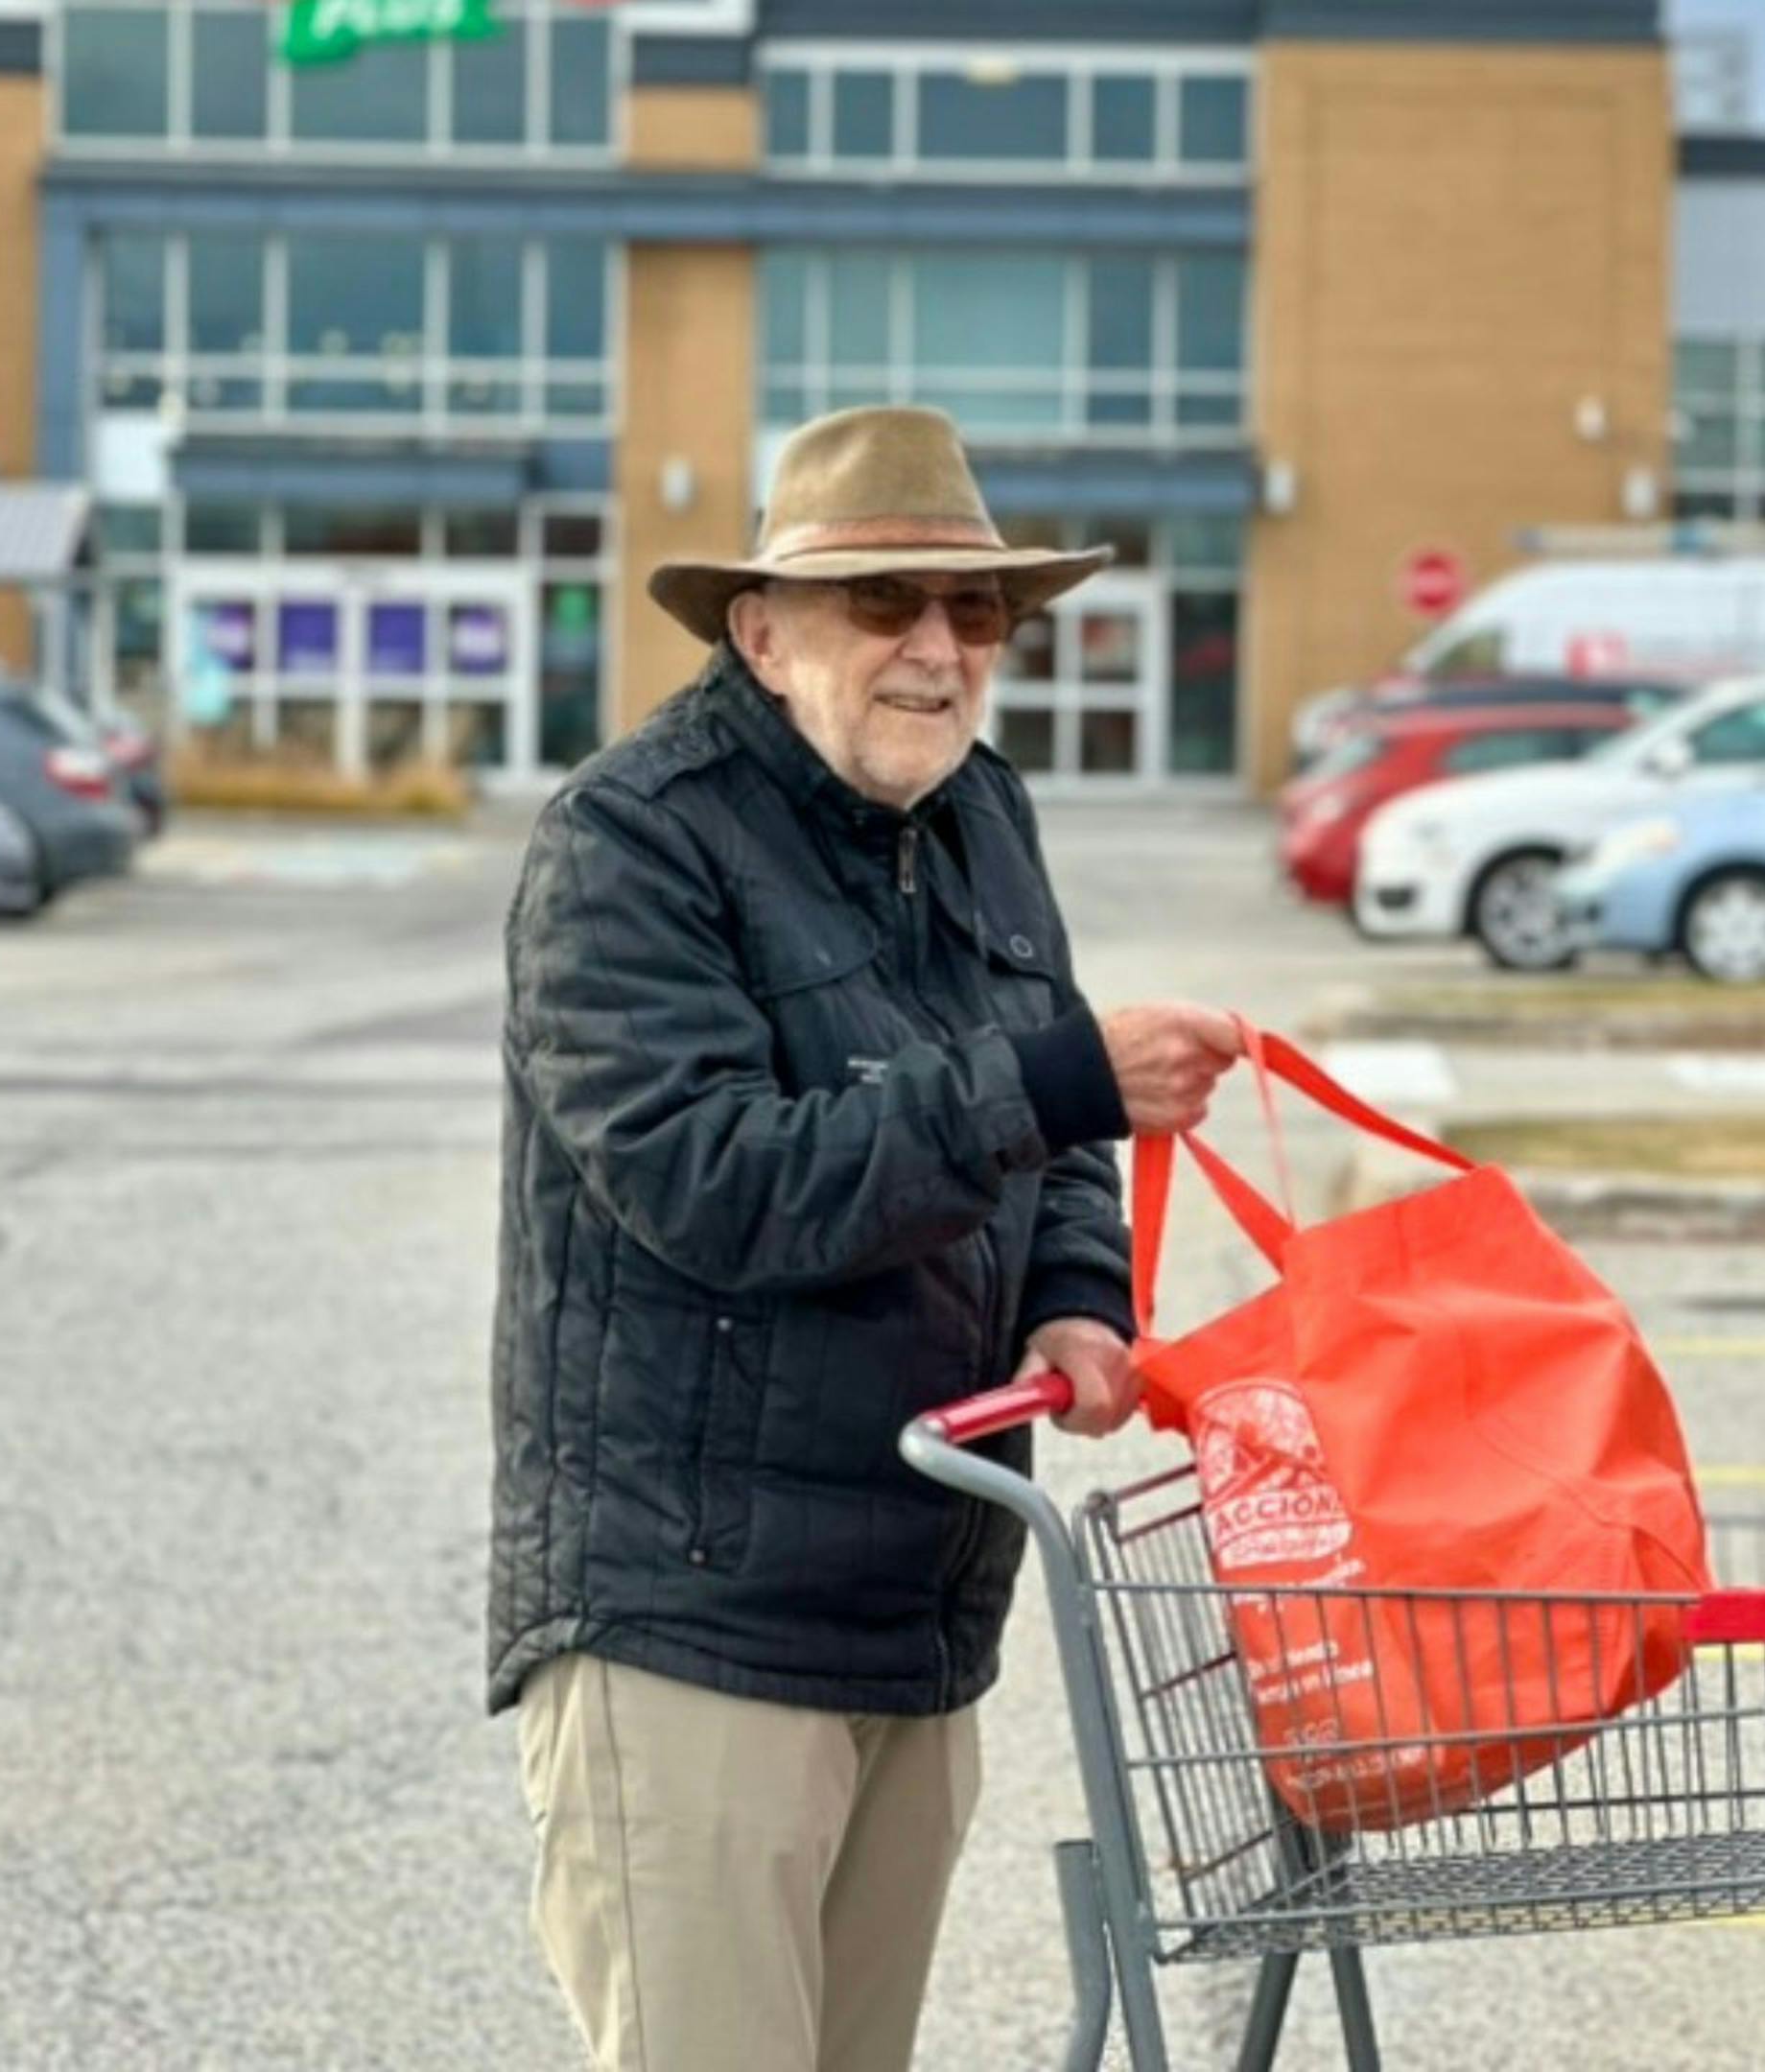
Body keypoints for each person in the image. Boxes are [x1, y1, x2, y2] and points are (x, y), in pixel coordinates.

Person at [486, 406, 1244, 2072]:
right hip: (691, 1621)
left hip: (918, 1603)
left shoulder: (983, 814)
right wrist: (1061, 1079)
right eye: (884, 601)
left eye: (976, 610)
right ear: (761, 633)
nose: (937, 647)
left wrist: (1076, 1299)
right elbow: (716, 1182)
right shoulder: (630, 841)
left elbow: (1055, 1139)